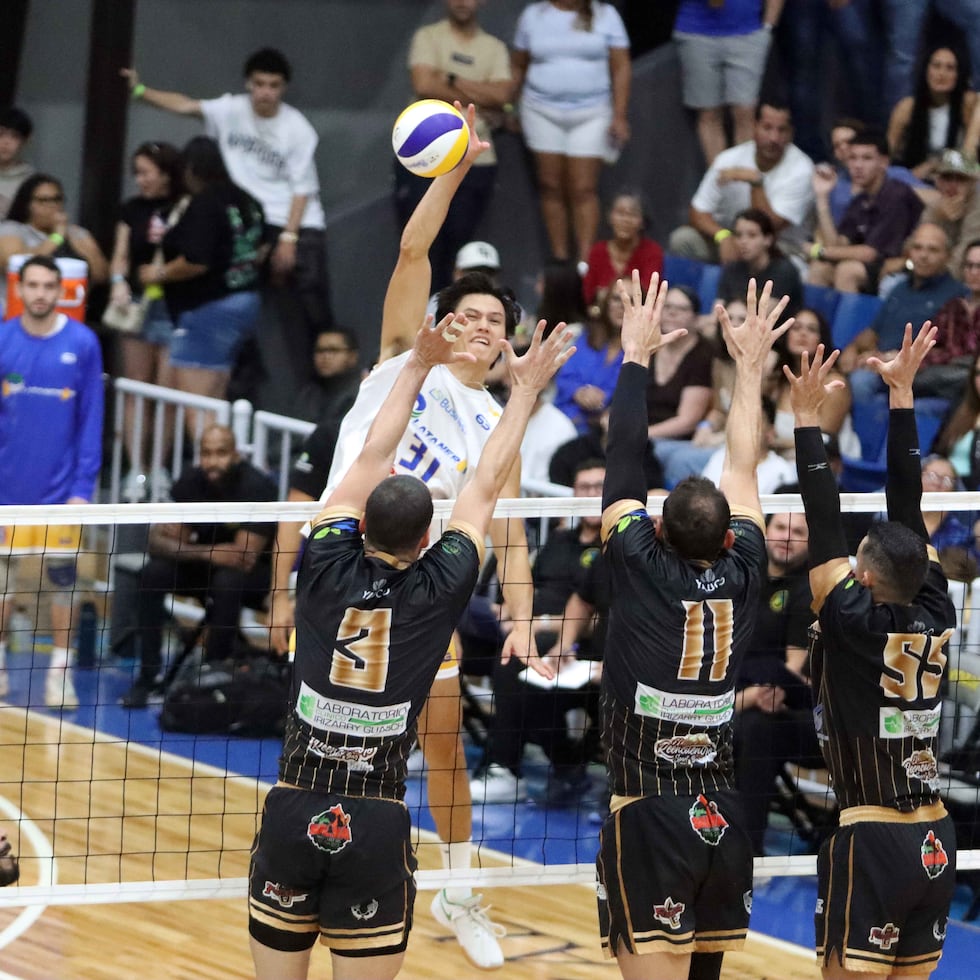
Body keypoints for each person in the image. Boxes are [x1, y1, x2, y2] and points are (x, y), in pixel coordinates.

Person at [269, 106, 544, 971]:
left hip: (425, 600)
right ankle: (296, 869)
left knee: (442, 749)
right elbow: (413, 255)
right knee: (322, 742)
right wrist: (454, 168)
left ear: (506, 342)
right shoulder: (401, 356)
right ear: (440, 320)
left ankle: (460, 891)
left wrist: (526, 616)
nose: (481, 328)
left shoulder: (499, 418)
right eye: (467, 315)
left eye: (495, 323)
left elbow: (514, 524)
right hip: (342, 579)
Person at [247, 309, 572, 980]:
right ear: (429, 542)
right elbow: (482, 488)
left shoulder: (325, 564)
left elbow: (369, 455)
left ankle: (463, 892)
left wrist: (415, 365)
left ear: (357, 521)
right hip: (376, 816)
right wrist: (527, 392)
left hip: (296, 799)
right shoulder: (441, 588)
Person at [595, 274, 788, 980]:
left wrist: (634, 354)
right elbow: (744, 462)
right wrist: (750, 364)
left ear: (659, 530)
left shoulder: (642, 566)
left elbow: (622, 457)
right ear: (728, 536)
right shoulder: (746, 572)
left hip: (649, 807)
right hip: (719, 807)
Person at [784, 324, 958, 979]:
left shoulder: (852, 616)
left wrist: (806, 421)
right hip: (935, 838)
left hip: (873, 834)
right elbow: (909, 510)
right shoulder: (937, 605)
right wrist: (903, 395)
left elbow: (820, 513)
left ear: (861, 577)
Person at [123, 48, 332, 383]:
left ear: (284, 88)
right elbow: (186, 105)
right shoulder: (230, 109)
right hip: (247, 220)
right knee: (240, 298)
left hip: (293, 222)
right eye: (259, 84)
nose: (265, 92)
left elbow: (303, 188)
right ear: (248, 84)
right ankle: (246, 381)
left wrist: (288, 239)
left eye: (274, 85)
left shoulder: (296, 128)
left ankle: (328, 374)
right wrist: (138, 91)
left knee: (310, 308)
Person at [0, 256, 104, 708]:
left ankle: (59, 674)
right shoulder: (3, 339)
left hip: (62, 494)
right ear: (19, 289)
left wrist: (82, 486)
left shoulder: (82, 343)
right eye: (33, 285)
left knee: (64, 582)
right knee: (1, 584)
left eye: (49, 286)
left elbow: (91, 417)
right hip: (7, 492)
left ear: (61, 291)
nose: (41, 293)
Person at [470, 460, 605, 803]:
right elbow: (528, 582)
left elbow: (598, 618)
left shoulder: (614, 549)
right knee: (454, 618)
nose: (591, 495)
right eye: (584, 488)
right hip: (520, 624)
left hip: (568, 644)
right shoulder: (560, 539)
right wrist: (512, 612)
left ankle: (504, 765)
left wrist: (532, 624)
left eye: (599, 488)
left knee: (515, 658)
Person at [122, 424, 278, 709]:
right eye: (206, 454)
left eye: (220, 453)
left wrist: (191, 549)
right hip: (204, 563)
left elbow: (243, 556)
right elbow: (158, 542)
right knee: (152, 573)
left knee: (227, 581)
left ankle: (213, 675)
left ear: (235, 454)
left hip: (255, 576)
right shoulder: (191, 481)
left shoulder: (256, 486)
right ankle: (148, 675)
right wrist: (209, 552)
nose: (212, 462)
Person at [398, 0, 514, 292]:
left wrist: (449, 78)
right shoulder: (429, 36)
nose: (463, 2)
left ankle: (454, 315)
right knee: (421, 242)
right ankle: (422, 319)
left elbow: (502, 95)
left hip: (476, 161)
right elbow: (424, 84)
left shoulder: (494, 47)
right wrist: (478, 91)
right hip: (427, 156)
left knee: (461, 245)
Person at [144, 136, 264, 413]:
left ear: (191, 170)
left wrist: (158, 272)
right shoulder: (247, 200)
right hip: (245, 298)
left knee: (197, 405)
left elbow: (197, 261)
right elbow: (263, 245)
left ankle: (210, 455)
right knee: (216, 393)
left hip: (209, 307)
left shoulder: (205, 204)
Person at [511, 0, 631, 265]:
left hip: (592, 112)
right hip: (541, 111)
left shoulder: (606, 15)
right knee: (550, 186)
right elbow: (518, 64)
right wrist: (510, 106)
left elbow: (621, 66)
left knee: (583, 188)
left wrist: (620, 115)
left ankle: (585, 263)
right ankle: (560, 261)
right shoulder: (533, 16)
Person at [732, 506, 821, 856]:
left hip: (802, 712)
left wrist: (746, 698)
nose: (786, 537)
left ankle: (746, 852)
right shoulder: (742, 577)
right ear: (765, 529)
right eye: (781, 527)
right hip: (739, 692)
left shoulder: (807, 591)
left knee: (755, 729)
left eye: (798, 532)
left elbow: (791, 674)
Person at [106, 141, 186, 500]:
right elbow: (120, 255)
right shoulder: (132, 209)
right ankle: (135, 468)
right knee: (136, 388)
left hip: (173, 307)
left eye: (146, 173)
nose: (140, 180)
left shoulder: (185, 206)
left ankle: (159, 468)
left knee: (167, 392)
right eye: (136, 173)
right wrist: (118, 282)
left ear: (166, 172)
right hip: (138, 304)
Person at [669, 101, 815, 263]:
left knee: (758, 250)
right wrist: (723, 236)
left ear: (791, 133)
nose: (774, 138)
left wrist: (756, 183)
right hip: (730, 237)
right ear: (754, 126)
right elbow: (697, 212)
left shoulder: (802, 170)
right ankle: (685, 289)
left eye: (782, 130)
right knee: (683, 239)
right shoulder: (728, 159)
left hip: (779, 247)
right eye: (767, 128)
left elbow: (770, 228)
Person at [841, 224, 968, 409]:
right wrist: (852, 349)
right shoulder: (898, 288)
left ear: (947, 256)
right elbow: (873, 332)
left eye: (933, 250)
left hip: (917, 374)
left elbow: (950, 351)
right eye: (918, 248)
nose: (923, 255)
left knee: (861, 382)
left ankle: (864, 438)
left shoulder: (956, 296)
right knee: (837, 376)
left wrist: (892, 359)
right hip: (881, 365)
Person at [807, 128, 923, 293]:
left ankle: (847, 320)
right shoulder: (860, 199)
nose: (858, 165)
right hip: (874, 268)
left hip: (902, 268)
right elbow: (837, 244)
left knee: (848, 271)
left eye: (866, 158)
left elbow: (870, 254)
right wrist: (822, 197)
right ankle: (811, 319)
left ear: (884, 162)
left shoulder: (896, 194)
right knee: (820, 269)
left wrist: (818, 251)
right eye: (853, 158)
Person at [672, 0, 783, 165]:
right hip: (696, 32)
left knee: (745, 110)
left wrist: (768, 26)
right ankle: (720, 180)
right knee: (709, 112)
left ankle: (745, 181)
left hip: (749, 31)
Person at [0, 174, 108, 309]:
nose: (52, 206)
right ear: (27, 204)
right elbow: (13, 265)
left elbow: (102, 275)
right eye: (43, 200)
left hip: (68, 311)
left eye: (57, 200)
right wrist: (56, 238)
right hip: (19, 311)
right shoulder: (12, 229)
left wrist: (76, 244)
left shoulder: (76, 233)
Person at [643, 285, 715, 487]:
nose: (672, 312)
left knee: (640, 452)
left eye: (681, 309)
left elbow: (687, 421)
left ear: (695, 318)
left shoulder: (702, 355)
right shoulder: (649, 346)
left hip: (678, 439)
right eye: (667, 307)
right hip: (643, 432)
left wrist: (642, 434)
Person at [768, 308, 851, 457]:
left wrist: (779, 443)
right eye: (796, 328)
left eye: (812, 329)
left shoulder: (834, 384)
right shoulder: (778, 379)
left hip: (823, 462)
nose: (803, 333)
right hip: (781, 457)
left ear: (822, 339)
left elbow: (826, 441)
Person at [887, 44, 976, 182]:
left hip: (958, 181)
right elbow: (885, 155)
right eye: (936, 66)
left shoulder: (969, 104)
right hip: (916, 182)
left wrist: (934, 164)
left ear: (959, 75)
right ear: (926, 70)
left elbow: (971, 160)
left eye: (950, 68)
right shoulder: (907, 107)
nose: (941, 74)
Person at [553, 284, 624, 433]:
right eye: (617, 298)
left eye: (632, 300)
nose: (623, 305)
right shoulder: (587, 335)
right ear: (607, 302)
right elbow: (564, 379)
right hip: (562, 417)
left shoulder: (642, 351)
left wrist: (602, 401)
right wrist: (579, 392)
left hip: (603, 429)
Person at [915, 238, 980, 398]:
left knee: (970, 379)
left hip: (971, 375)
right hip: (946, 374)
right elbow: (929, 344)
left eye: (979, 267)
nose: (973, 272)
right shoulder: (953, 307)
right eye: (969, 265)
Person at [582, 190, 663, 306]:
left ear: (642, 222)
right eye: (620, 213)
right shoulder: (597, 251)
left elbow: (648, 294)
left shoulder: (652, 251)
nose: (626, 220)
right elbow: (589, 295)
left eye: (632, 214)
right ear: (610, 217)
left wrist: (606, 295)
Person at [716, 207, 803, 316]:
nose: (743, 242)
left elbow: (762, 318)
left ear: (768, 240)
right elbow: (718, 312)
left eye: (752, 235)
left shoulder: (784, 271)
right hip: (735, 327)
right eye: (738, 235)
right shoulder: (731, 269)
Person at [921, 149, 980, 270]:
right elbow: (916, 244)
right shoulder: (935, 207)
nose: (953, 185)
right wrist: (938, 218)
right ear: (937, 181)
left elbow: (965, 255)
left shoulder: (977, 207)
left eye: (960, 179)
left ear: (973, 182)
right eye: (947, 178)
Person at [290, 328, 361, 427]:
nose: (325, 356)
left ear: (352, 356)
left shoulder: (360, 393)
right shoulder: (309, 393)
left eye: (334, 350)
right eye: (320, 350)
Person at [933, 348, 980, 488]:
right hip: (940, 481)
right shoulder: (960, 407)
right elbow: (937, 450)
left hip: (969, 493)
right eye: (978, 373)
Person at [0, 107, 34, 219]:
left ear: (25, 141)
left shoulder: (31, 182)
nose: (6, 142)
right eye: (1, 135)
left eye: (14, 136)